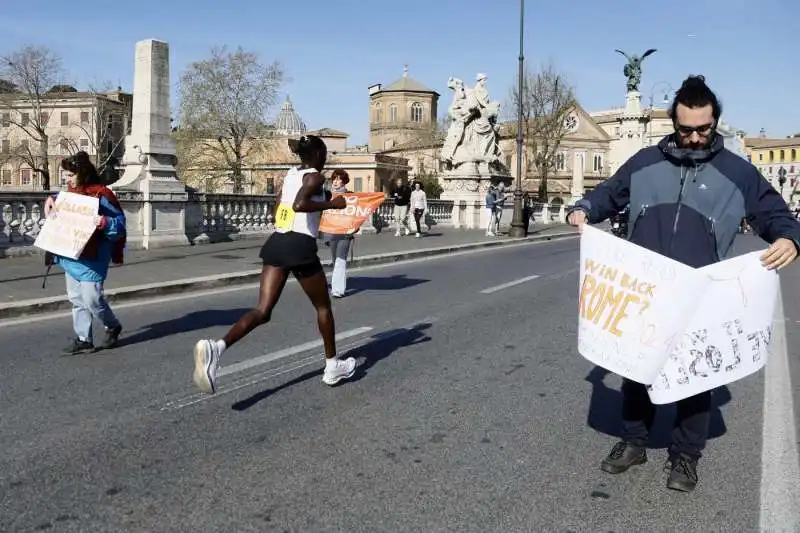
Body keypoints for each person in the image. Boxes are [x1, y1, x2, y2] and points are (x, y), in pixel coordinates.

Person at [567, 75, 800, 493]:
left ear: (716, 122)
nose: (694, 137)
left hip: (700, 293)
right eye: (686, 128)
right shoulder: (643, 162)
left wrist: (789, 237)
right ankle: (634, 441)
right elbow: (608, 192)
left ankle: (686, 456)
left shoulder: (738, 172)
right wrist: (584, 208)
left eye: (703, 129)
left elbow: (773, 212)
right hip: (645, 289)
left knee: (696, 378)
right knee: (636, 370)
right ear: (674, 122)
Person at [192, 135, 357, 393]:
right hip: (299, 246)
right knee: (323, 307)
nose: (325, 160)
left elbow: (279, 204)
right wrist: (332, 204)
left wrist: (287, 224)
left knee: (263, 310)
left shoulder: (291, 174)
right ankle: (332, 365)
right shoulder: (315, 176)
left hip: (278, 241)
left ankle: (217, 348)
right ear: (316, 155)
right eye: (324, 154)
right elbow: (300, 204)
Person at [44, 151, 126, 354]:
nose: (67, 178)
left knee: (92, 298)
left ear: (83, 173)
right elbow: (62, 202)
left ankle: (112, 325)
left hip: (94, 256)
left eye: (71, 175)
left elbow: (120, 225)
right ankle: (84, 339)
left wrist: (105, 222)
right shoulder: (68, 195)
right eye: (66, 175)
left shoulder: (102, 194)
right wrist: (51, 199)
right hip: (71, 254)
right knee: (76, 299)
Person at [321, 169, 354, 298]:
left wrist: (354, 228)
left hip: (345, 232)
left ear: (344, 181)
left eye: (339, 179)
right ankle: (337, 284)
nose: (335, 181)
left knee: (341, 259)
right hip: (331, 232)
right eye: (334, 179)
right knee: (335, 260)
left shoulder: (351, 195)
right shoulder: (327, 195)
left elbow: (357, 212)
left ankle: (338, 289)